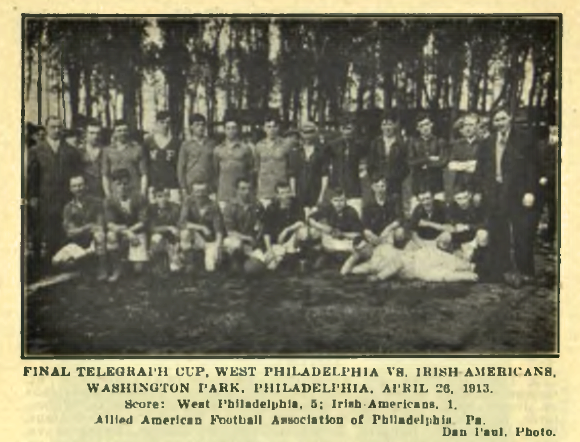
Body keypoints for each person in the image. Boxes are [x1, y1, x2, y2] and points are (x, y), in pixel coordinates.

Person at [474, 108, 539, 282]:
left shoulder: (524, 139)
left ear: (510, 118)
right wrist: (479, 191)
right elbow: (480, 170)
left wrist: (530, 191)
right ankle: (502, 270)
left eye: (503, 118)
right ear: (492, 123)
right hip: (494, 192)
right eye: (496, 120)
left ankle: (526, 271)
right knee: (498, 230)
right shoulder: (487, 143)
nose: (500, 123)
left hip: (518, 192)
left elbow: (532, 167)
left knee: (521, 232)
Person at [27, 116, 83, 258]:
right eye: (53, 127)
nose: (56, 130)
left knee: (65, 228)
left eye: (59, 127)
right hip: (46, 196)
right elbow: (32, 175)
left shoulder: (71, 151)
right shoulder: (36, 150)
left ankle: (64, 260)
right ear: (46, 129)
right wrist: (33, 196)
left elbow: (77, 174)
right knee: (47, 228)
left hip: (66, 196)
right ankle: (46, 263)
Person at [340, 237, 478, 282]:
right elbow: (344, 272)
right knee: (443, 276)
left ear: (369, 244)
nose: (366, 249)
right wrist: (354, 256)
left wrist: (380, 277)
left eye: (366, 245)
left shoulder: (382, 246)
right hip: (416, 269)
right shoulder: (368, 265)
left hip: (418, 255)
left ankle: (475, 268)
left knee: (458, 262)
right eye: (361, 249)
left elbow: (398, 261)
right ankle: (472, 276)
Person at [102, 169, 149, 282]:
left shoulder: (139, 197)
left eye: (125, 183)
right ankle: (117, 268)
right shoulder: (109, 200)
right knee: (110, 236)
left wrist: (130, 231)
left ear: (130, 183)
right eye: (118, 184)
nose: (122, 187)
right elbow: (109, 224)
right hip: (121, 232)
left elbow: (143, 222)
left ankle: (132, 262)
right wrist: (127, 233)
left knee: (138, 269)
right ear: (113, 185)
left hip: (137, 232)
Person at [52, 175, 104, 272]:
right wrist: (87, 227)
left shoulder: (96, 203)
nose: (78, 189)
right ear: (71, 189)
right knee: (56, 261)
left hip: (94, 242)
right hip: (77, 244)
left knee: (99, 235)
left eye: (80, 185)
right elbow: (70, 232)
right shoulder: (68, 208)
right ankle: (85, 257)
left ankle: (101, 269)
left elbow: (99, 226)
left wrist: (80, 230)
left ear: (86, 186)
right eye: (74, 186)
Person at [259, 180, 307, 270]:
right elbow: (266, 231)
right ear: (277, 195)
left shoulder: (296, 203)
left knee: (303, 231)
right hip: (277, 242)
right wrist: (269, 251)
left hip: (292, 239)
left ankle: (298, 257)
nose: (286, 196)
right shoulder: (271, 208)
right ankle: (286, 259)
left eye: (288, 192)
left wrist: (286, 230)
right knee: (271, 267)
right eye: (282, 193)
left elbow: (302, 221)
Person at [179, 180, 225, 273]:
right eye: (197, 191)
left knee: (211, 268)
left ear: (207, 192)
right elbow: (182, 222)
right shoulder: (188, 202)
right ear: (192, 192)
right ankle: (190, 263)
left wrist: (218, 247)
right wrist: (202, 227)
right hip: (196, 238)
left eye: (202, 191)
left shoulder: (213, 205)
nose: (200, 195)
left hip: (209, 240)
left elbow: (218, 230)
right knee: (185, 233)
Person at [367, 112, 409, 212]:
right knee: (378, 210)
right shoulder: (375, 143)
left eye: (390, 124)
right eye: (384, 124)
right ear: (381, 127)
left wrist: (396, 177)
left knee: (395, 210)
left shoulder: (401, 143)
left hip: (395, 183)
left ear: (394, 125)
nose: (387, 127)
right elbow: (370, 164)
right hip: (378, 183)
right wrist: (376, 179)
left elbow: (406, 165)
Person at [222, 177, 265, 269]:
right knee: (234, 244)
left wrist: (256, 240)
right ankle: (233, 262)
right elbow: (230, 231)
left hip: (252, 243)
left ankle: (246, 264)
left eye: (249, 189)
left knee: (260, 266)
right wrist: (247, 238)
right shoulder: (230, 206)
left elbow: (262, 225)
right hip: (237, 240)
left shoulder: (257, 205)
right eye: (243, 189)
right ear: (236, 190)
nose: (247, 192)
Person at [213, 114, 255, 208]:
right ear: (224, 130)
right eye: (228, 128)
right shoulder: (218, 149)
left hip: (241, 194)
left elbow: (251, 170)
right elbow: (215, 171)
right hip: (224, 193)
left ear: (237, 129)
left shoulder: (245, 148)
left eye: (233, 128)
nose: (231, 131)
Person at [408, 113, 449, 207]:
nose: (425, 128)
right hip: (418, 183)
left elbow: (443, 161)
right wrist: (428, 159)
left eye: (427, 124)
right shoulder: (413, 142)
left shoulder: (440, 141)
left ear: (431, 124)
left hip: (436, 182)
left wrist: (425, 164)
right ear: (417, 128)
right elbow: (410, 161)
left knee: (439, 211)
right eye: (421, 126)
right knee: (416, 211)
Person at [327, 115, 365, 215]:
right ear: (340, 129)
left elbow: (363, 166)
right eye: (344, 128)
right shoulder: (332, 145)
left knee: (355, 214)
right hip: (337, 186)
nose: (347, 131)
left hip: (354, 187)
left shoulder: (359, 145)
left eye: (349, 128)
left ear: (353, 128)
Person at [289, 122, 329, 216]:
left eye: (310, 132)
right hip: (300, 191)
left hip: (315, 190)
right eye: (305, 132)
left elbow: (324, 175)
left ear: (315, 133)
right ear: (301, 133)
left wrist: (322, 195)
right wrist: (293, 193)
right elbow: (292, 175)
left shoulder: (321, 151)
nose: (307, 135)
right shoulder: (295, 152)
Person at [307, 187, 363, 254]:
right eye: (336, 200)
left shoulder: (351, 212)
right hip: (331, 242)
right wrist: (322, 227)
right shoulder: (329, 208)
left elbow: (358, 234)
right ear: (331, 201)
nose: (339, 204)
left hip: (346, 243)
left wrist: (342, 234)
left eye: (341, 200)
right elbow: (310, 218)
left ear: (345, 201)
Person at [442, 181, 489, 260]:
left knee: (483, 234)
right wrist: (457, 248)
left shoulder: (477, 205)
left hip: (475, 239)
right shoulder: (451, 207)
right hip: (460, 239)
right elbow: (449, 225)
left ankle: (482, 261)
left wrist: (467, 227)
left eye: (465, 197)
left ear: (470, 195)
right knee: (444, 237)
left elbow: (486, 224)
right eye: (459, 199)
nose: (463, 201)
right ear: (454, 198)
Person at [254, 113, 293, 208]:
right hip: (264, 191)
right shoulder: (259, 146)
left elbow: (291, 168)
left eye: (274, 126)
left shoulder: (286, 145)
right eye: (269, 126)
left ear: (278, 128)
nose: (271, 129)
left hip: (281, 190)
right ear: (264, 128)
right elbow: (257, 168)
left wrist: (290, 189)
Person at [102, 119, 148, 198]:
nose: (122, 133)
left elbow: (144, 174)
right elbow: (105, 175)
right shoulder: (107, 150)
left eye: (125, 130)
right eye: (119, 131)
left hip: (134, 192)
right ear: (115, 133)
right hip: (115, 193)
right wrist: (108, 194)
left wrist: (143, 193)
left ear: (128, 132)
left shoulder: (138, 149)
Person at [144, 111, 182, 204]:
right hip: (154, 185)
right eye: (162, 122)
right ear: (156, 123)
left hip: (172, 185)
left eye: (168, 123)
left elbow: (179, 165)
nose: (165, 125)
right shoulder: (148, 142)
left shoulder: (177, 142)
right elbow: (145, 165)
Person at [177, 113, 216, 198]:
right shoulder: (186, 145)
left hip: (208, 186)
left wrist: (214, 185)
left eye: (202, 125)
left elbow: (215, 166)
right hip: (191, 186)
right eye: (197, 125)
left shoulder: (211, 144)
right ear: (191, 127)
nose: (200, 127)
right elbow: (181, 167)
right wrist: (183, 188)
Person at [446, 113, 483, 202]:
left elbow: (483, 165)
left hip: (479, 185)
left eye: (471, 125)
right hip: (461, 184)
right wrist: (470, 164)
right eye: (465, 125)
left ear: (477, 127)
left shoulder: (483, 143)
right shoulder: (457, 144)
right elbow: (451, 165)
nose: (468, 128)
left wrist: (461, 165)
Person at [361, 175, 405, 247]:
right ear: (373, 187)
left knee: (400, 231)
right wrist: (371, 234)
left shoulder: (393, 199)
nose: (380, 190)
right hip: (375, 233)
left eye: (382, 186)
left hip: (390, 230)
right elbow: (364, 225)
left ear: (386, 186)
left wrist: (388, 228)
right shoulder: (368, 204)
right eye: (377, 187)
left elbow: (400, 218)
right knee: (367, 233)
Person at [148, 186, 182, 275]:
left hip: (173, 239)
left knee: (176, 269)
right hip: (159, 238)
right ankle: (159, 264)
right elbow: (152, 228)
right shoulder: (151, 209)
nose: (163, 199)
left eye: (166, 196)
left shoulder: (176, 208)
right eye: (159, 196)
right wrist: (168, 227)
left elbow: (180, 225)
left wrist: (177, 242)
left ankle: (175, 259)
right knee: (156, 238)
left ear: (169, 196)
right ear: (155, 198)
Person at [409, 184, 453, 249]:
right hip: (423, 241)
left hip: (438, 240)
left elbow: (451, 228)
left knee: (447, 236)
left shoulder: (442, 206)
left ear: (433, 197)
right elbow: (413, 232)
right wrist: (423, 245)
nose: (426, 202)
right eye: (422, 200)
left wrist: (429, 224)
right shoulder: (418, 210)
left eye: (428, 198)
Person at [537, 124, 558, 244]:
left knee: (553, 211)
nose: (554, 129)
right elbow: (535, 162)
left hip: (554, 185)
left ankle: (550, 237)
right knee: (536, 210)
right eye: (552, 127)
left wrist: (548, 178)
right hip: (539, 183)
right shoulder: (541, 144)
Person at [79, 119, 105, 198]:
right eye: (91, 133)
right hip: (83, 192)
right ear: (85, 134)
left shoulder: (106, 151)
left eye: (98, 133)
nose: (95, 136)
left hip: (101, 192)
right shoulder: (78, 151)